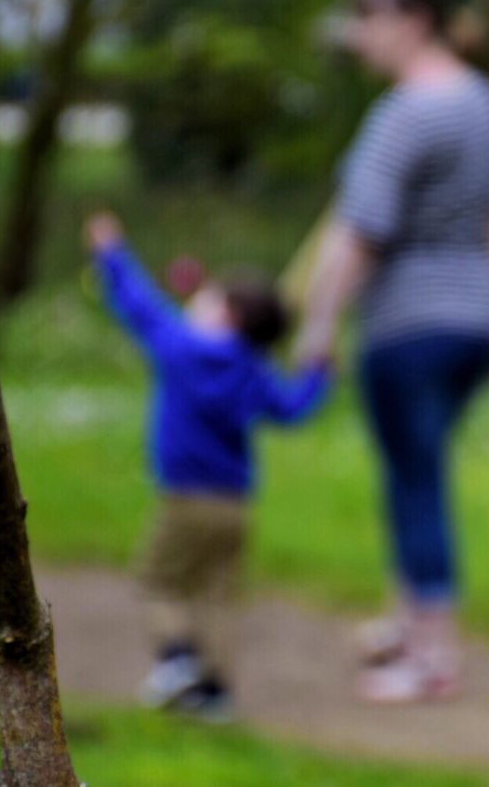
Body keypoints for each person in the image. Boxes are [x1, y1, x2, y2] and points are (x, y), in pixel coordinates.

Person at [295, 0, 489, 703]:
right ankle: (408, 618)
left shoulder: (404, 114)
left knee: (415, 477)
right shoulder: (484, 101)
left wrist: (320, 325)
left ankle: (432, 656)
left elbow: (358, 232)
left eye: (369, 19)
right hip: (475, 323)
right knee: (414, 468)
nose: (360, 36)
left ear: (412, 20)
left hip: (407, 325)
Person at [86, 211, 330, 719]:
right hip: (235, 505)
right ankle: (216, 693)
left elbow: (139, 305)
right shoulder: (255, 371)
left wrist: (111, 252)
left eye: (211, 296)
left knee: (159, 579)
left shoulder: (180, 348)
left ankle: (177, 659)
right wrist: (317, 374)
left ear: (228, 316)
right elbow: (290, 410)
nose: (199, 300)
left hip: (183, 498)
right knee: (219, 594)